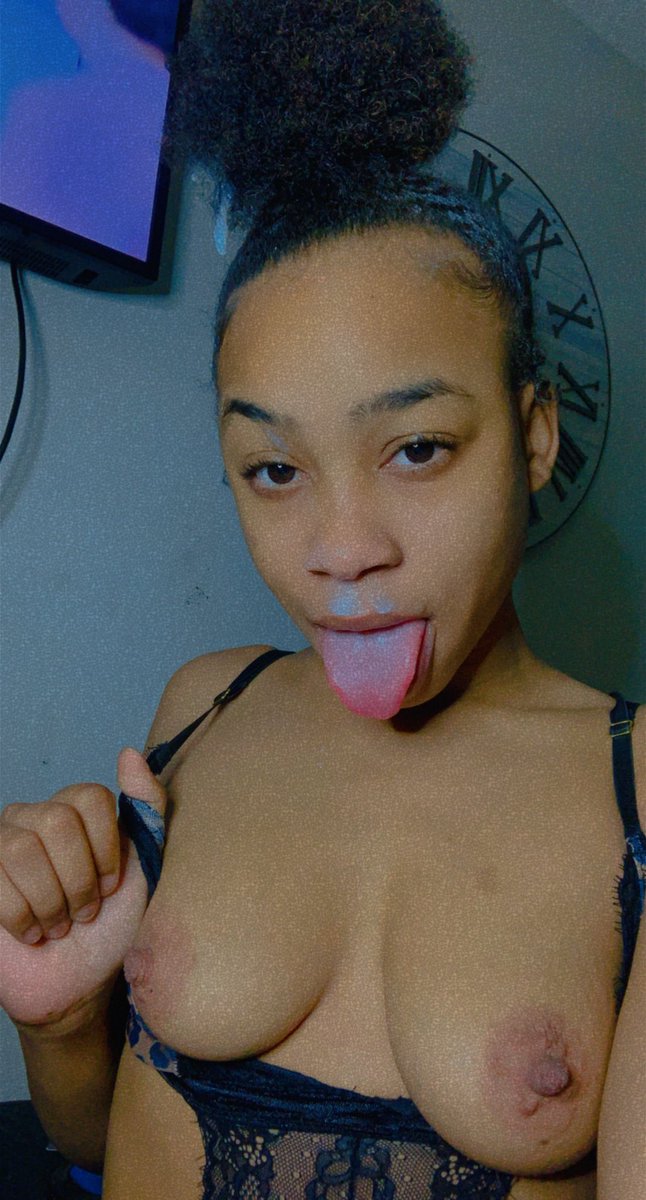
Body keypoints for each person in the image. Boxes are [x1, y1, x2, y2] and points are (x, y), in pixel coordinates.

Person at [1, 2, 643, 1197]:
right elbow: (94, 1143)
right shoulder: (204, 711)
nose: (340, 551)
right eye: (273, 469)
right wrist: (58, 1018)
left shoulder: (636, 786)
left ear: (534, 434)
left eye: (417, 448)